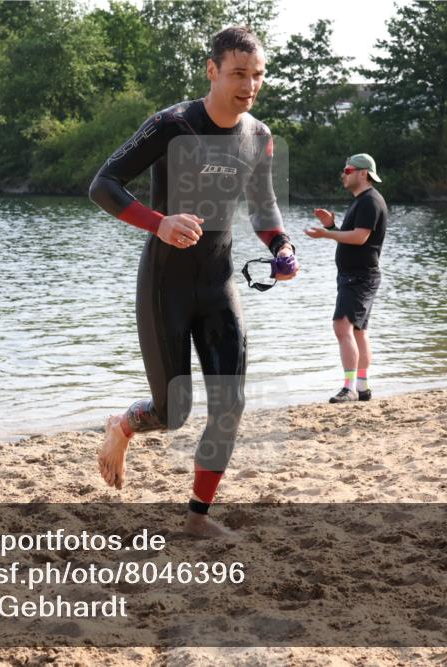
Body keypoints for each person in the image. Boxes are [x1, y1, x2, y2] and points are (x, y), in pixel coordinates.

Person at [88, 26, 298, 538]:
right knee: (173, 411)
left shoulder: (259, 137)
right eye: (238, 74)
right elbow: (103, 185)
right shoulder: (173, 124)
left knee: (231, 403)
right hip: (167, 283)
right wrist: (158, 222)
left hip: (219, 281)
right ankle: (125, 424)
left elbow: (264, 208)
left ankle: (197, 518)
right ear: (212, 70)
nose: (249, 85)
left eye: (257, 75)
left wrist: (281, 246)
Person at [306, 153, 388, 403]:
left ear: (363, 173)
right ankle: (362, 386)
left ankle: (349, 387)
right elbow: (353, 237)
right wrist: (332, 227)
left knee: (342, 326)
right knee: (358, 331)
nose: (343, 174)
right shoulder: (361, 201)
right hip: (356, 276)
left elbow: (360, 238)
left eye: (348, 170)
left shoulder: (369, 202)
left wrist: (326, 235)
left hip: (359, 277)